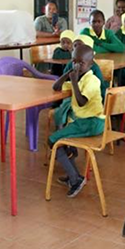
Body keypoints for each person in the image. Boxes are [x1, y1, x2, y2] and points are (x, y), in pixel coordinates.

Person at [49, 44, 104, 198]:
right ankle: (73, 173)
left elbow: (81, 102)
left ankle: (75, 179)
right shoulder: (78, 77)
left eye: (81, 63)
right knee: (63, 141)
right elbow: (56, 87)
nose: (77, 65)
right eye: (74, 61)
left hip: (91, 123)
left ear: (91, 64)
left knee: (53, 140)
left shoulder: (92, 80)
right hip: (82, 122)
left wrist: (73, 81)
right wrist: (67, 74)